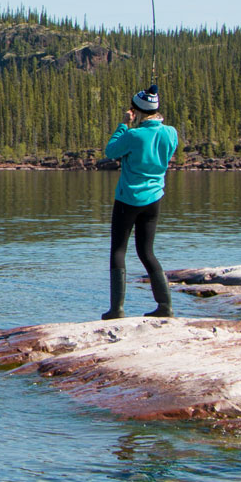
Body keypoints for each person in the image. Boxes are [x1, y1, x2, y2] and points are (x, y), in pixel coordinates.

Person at [100, 83, 179, 319]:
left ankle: (117, 310)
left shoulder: (133, 134)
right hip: (154, 198)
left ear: (137, 111)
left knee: (118, 251)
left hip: (128, 199)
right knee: (147, 252)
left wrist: (124, 123)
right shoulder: (171, 132)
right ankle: (165, 306)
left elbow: (111, 151)